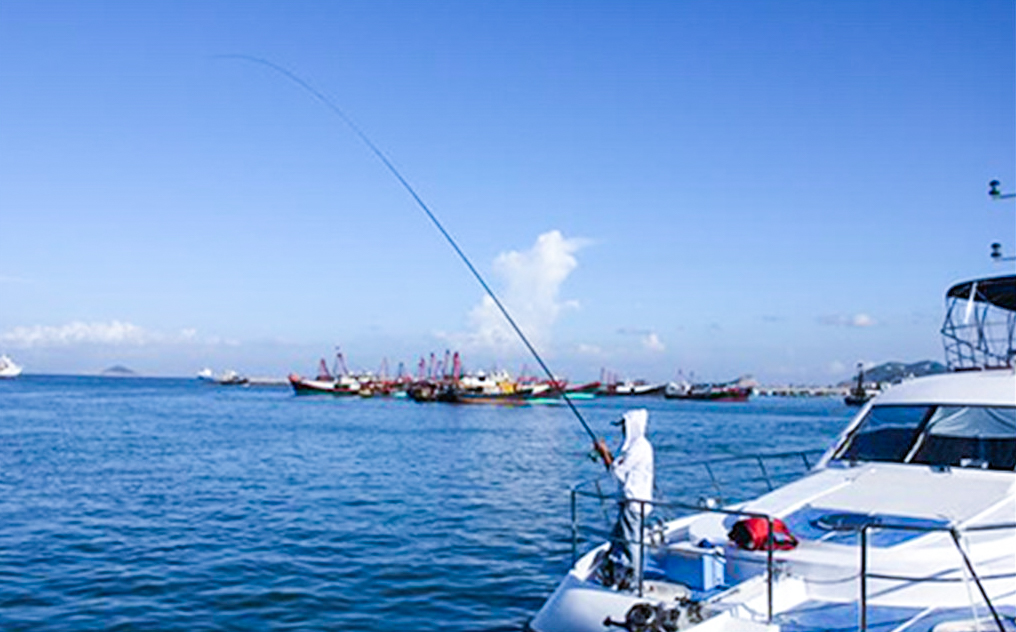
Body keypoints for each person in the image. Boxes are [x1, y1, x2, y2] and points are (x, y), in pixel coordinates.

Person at [593, 408, 654, 589]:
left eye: (624, 426)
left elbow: (618, 472)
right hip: (629, 500)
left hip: (634, 503)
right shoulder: (635, 447)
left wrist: (604, 453)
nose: (622, 430)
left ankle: (635, 580)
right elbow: (618, 468)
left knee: (631, 541)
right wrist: (606, 454)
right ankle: (616, 569)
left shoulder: (639, 448)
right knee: (619, 537)